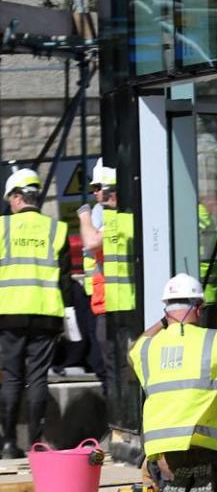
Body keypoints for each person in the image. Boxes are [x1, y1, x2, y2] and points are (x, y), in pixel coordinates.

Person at [128, 273, 217, 492]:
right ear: (198, 308)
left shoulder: (145, 349)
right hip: (216, 447)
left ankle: (175, 480)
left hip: (165, 451)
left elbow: (137, 344)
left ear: (165, 310)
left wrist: (165, 322)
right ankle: (212, 482)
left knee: (164, 473)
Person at [0, 168, 72, 456]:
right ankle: (36, 443)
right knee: (38, 378)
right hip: (46, 313)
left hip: (8, 312)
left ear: (17, 198)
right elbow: (66, 280)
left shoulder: (2, 228)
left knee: (13, 377)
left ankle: (7, 443)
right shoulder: (57, 229)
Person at [78, 160, 137, 405]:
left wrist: (83, 216)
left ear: (111, 190)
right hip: (111, 303)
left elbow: (92, 242)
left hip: (117, 305)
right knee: (116, 367)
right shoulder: (122, 218)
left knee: (119, 369)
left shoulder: (115, 221)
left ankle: (124, 418)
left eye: (97, 187)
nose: (94, 193)